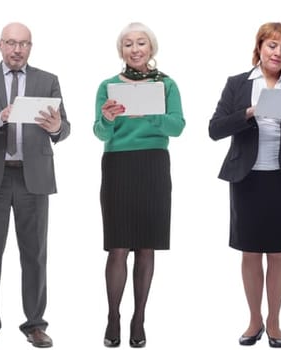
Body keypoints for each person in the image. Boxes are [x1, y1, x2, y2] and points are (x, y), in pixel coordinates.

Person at [208, 22, 281, 348]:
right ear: (260, 48)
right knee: (251, 252)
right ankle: (254, 320)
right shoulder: (238, 84)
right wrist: (250, 112)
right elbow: (214, 129)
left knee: (280, 253)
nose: (278, 53)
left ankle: (274, 322)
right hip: (247, 178)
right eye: (272, 46)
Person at [0, 22, 70, 349]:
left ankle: (35, 325)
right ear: (0, 45)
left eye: (23, 44)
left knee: (35, 255)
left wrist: (57, 127)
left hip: (32, 177)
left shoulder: (47, 80)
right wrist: (0, 116)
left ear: (30, 47)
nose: (17, 49)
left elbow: (65, 127)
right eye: (11, 43)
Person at [93, 22, 186, 349]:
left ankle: (139, 317)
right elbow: (101, 134)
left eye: (141, 43)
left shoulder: (167, 84)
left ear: (151, 48)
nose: (135, 49)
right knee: (118, 246)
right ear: (121, 50)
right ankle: (114, 315)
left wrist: (148, 113)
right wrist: (108, 118)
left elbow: (177, 126)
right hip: (119, 165)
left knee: (146, 245)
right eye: (128, 44)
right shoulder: (107, 86)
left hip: (153, 165)